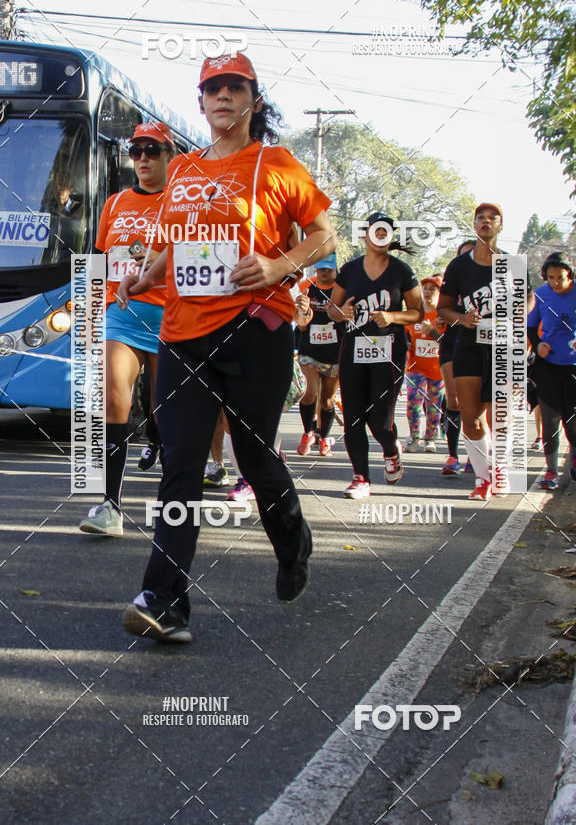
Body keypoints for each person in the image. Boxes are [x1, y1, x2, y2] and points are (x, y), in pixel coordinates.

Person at [117, 52, 335, 642]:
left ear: (252, 100)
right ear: (201, 101)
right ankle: (165, 602)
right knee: (181, 465)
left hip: (253, 329)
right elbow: (168, 248)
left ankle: (292, 541)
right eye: (212, 88)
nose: (222, 97)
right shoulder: (183, 170)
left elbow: (323, 235)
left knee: (255, 455)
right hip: (183, 335)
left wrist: (276, 264)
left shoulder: (277, 163)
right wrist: (145, 278)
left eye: (234, 88)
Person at [78, 122, 175, 534]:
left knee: (165, 411)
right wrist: (87, 312)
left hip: (173, 315)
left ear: (169, 154)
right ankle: (110, 507)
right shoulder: (115, 203)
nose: (143, 160)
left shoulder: (181, 201)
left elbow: (201, 253)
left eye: (152, 150)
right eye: (136, 151)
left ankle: (175, 508)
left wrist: (153, 257)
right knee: (112, 401)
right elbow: (98, 258)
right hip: (123, 313)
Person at [437, 203, 533, 500]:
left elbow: (529, 300)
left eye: (493, 218)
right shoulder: (460, 266)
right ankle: (481, 478)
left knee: (500, 415)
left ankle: (500, 468)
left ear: (500, 226)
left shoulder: (513, 263)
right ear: (474, 224)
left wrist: (520, 313)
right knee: (472, 417)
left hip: (503, 346)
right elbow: (443, 307)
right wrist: (463, 318)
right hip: (468, 345)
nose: (486, 222)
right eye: (481, 218)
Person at [328, 212, 423, 499]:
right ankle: (360, 478)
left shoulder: (402, 271)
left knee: (379, 420)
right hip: (353, 350)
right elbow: (333, 309)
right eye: (375, 230)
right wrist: (340, 312)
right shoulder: (349, 270)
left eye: (386, 232)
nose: (380, 235)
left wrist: (393, 315)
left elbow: (418, 312)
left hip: (388, 351)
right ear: (365, 234)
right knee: (354, 415)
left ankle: (391, 449)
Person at [527, 251, 576, 489]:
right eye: (551, 277)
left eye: (560, 277)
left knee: (573, 423)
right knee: (549, 418)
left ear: (570, 275)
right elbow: (529, 326)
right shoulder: (540, 294)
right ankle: (550, 471)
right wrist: (538, 345)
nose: (556, 283)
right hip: (548, 365)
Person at [294, 252, 343, 457]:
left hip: (334, 353)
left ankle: (323, 438)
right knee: (309, 392)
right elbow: (300, 323)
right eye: (320, 268)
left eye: (328, 269)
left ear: (335, 270)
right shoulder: (307, 287)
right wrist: (302, 313)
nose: (323, 273)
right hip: (309, 351)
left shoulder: (343, 289)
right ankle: (308, 433)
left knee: (327, 400)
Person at [437, 240, 476, 474]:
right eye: (463, 255)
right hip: (452, 344)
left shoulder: (491, 281)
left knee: (475, 406)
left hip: (480, 344)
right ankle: (452, 456)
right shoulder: (452, 281)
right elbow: (439, 309)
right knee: (453, 401)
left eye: (472, 255)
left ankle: (475, 453)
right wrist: (441, 320)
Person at [404, 275, 446, 453]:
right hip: (415, 367)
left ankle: (430, 438)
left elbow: (448, 342)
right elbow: (405, 332)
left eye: (432, 289)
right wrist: (406, 343)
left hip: (437, 369)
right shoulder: (416, 312)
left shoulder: (444, 315)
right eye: (425, 289)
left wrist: (433, 332)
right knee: (413, 402)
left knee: (434, 405)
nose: (428, 293)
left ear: (439, 293)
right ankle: (414, 437)